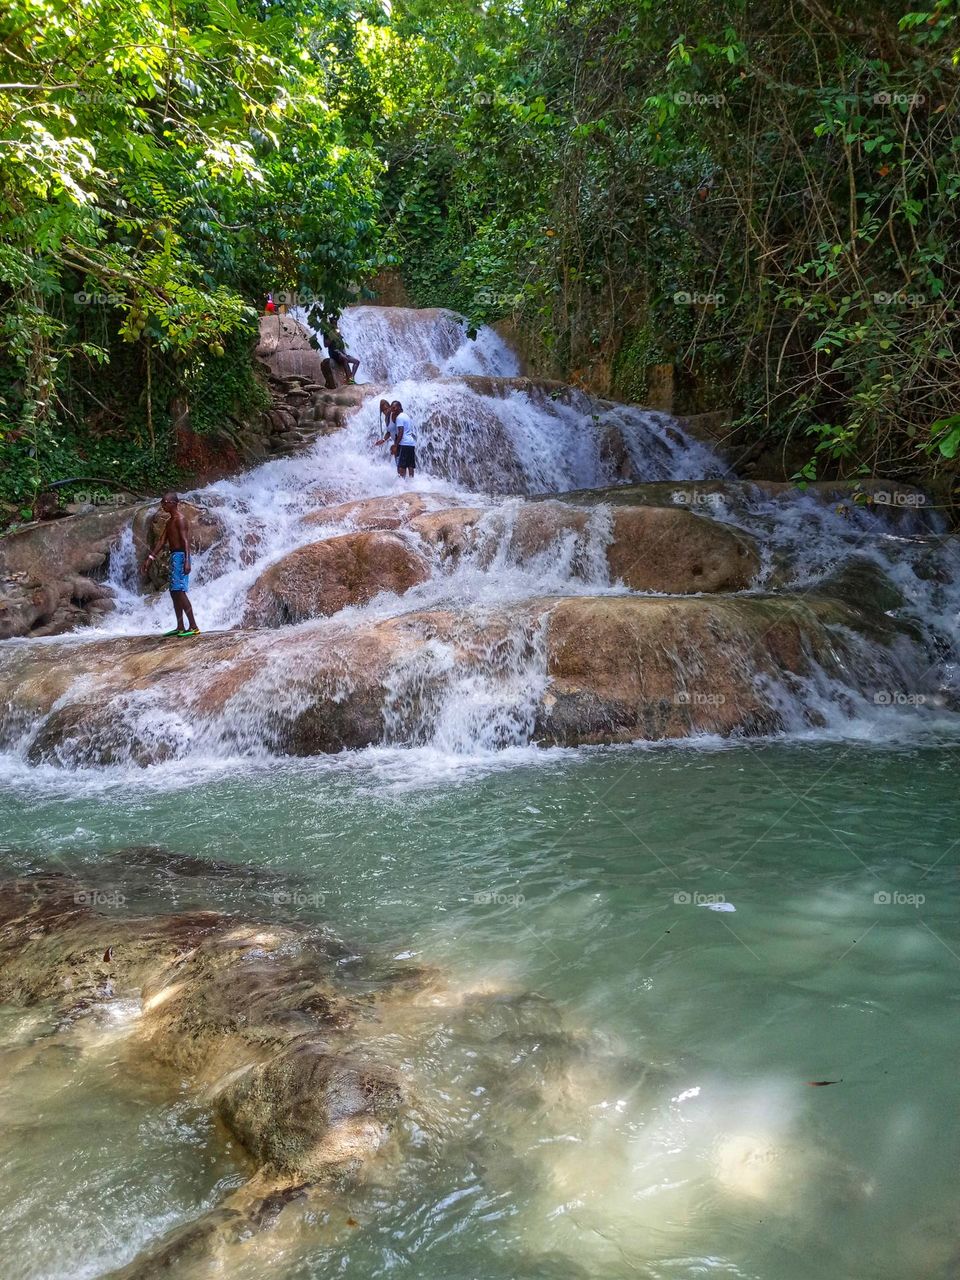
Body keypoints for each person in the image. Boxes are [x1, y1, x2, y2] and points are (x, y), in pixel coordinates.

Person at [141, 493, 200, 637]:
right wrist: (150, 558)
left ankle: (194, 627)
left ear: (173, 503)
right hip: (175, 557)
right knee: (174, 593)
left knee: (180, 591)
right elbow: (161, 542)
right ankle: (180, 626)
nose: (162, 505)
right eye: (162, 502)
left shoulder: (180, 520)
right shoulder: (169, 521)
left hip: (181, 557)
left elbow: (186, 541)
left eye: (165, 502)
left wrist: (186, 560)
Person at [391, 400, 417, 479]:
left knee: (402, 466)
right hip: (411, 443)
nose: (393, 410)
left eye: (394, 407)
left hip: (404, 444)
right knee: (410, 465)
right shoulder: (406, 416)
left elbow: (401, 432)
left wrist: (396, 445)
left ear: (399, 407)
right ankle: (411, 482)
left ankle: (402, 485)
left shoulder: (399, 417)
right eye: (392, 408)